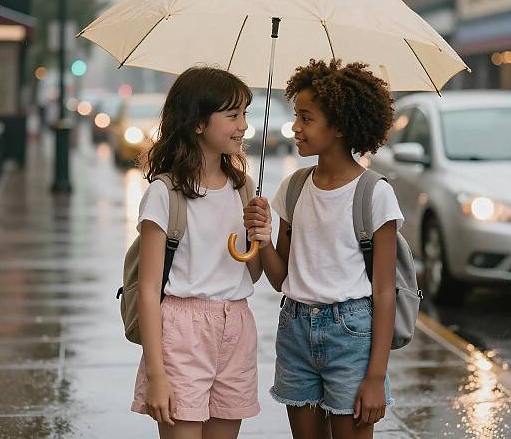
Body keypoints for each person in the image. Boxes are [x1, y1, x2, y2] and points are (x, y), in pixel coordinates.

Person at [244, 59, 403, 439]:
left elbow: (384, 292)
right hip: (294, 330)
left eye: (306, 117)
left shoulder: (374, 194)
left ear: (341, 127)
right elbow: (282, 279)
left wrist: (376, 377)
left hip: (351, 335)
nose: (296, 127)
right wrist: (261, 237)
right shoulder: (294, 189)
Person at [131, 66, 270, 439]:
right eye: (232, 115)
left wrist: (261, 234)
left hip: (237, 326)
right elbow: (147, 290)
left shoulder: (243, 188)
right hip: (181, 331)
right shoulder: (165, 193)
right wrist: (157, 375)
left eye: (245, 113)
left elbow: (251, 272)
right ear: (197, 124)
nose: (242, 125)